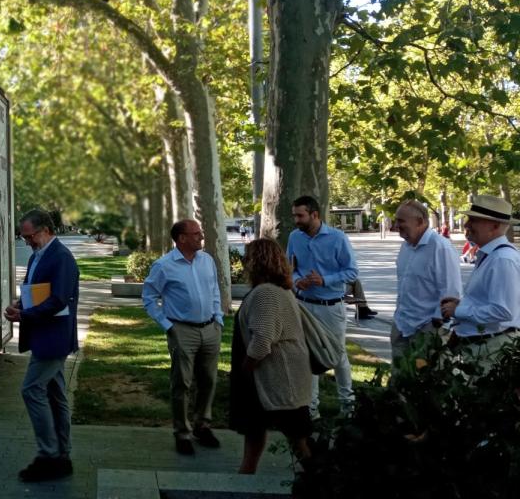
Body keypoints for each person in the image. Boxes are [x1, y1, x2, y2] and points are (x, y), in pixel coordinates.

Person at [4, 209, 80, 482]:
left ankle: (49, 455)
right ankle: (61, 455)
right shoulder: (40, 255)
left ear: (46, 230)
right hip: (44, 336)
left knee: (31, 390)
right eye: (23, 237)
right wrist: (19, 305)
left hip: (53, 339)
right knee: (55, 395)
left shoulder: (61, 257)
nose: (27, 242)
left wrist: (25, 315)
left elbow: (58, 299)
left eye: (30, 236)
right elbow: (34, 290)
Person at [230, 238, 313, 474]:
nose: (243, 262)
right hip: (281, 377)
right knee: (257, 428)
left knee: (297, 437)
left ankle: (318, 478)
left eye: (247, 258)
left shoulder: (265, 293)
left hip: (276, 378)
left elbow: (262, 340)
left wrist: (246, 368)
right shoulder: (280, 290)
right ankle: (246, 472)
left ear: (257, 262)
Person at [141, 219, 224, 455]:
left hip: (210, 329)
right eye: (196, 233)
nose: (201, 236)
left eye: (200, 232)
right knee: (182, 383)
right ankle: (182, 432)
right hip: (182, 330)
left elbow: (214, 291)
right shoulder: (164, 266)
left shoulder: (207, 260)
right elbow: (149, 298)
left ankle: (202, 425)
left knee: (208, 380)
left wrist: (218, 318)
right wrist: (168, 326)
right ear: (182, 238)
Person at [286, 195, 358, 418]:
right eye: (295, 215)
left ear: (314, 214)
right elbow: (290, 267)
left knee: (338, 355)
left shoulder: (338, 238)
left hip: (331, 306)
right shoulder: (295, 237)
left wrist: (324, 280)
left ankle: (348, 406)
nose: (296, 220)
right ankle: (311, 408)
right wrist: (297, 280)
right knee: (307, 355)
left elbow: (352, 272)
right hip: (304, 304)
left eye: (300, 216)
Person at [439, 195, 520, 372]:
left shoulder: (502, 259)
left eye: (474, 220)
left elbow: (503, 311)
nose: (467, 224)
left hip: (490, 350)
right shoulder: (492, 255)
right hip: (483, 347)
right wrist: (463, 304)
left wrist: (458, 310)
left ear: (495, 226)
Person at [390, 200, 462, 372]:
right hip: (402, 326)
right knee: (399, 378)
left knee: (426, 381)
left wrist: (435, 329)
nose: (396, 226)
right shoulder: (406, 246)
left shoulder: (441, 248)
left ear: (420, 221)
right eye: (396, 220)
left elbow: (452, 292)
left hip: (427, 330)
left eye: (401, 221)